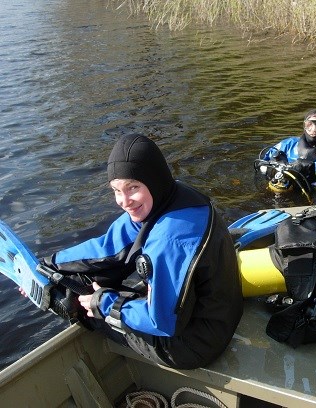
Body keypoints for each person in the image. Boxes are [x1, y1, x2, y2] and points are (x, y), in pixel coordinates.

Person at [34, 134, 244, 369]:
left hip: (195, 343)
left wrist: (104, 303)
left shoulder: (170, 239)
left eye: (132, 188)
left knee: (94, 310)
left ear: (153, 181)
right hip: (218, 310)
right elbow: (110, 246)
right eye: (116, 190)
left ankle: (72, 305)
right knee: (103, 272)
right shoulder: (172, 196)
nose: (124, 201)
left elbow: (162, 322)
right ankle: (79, 288)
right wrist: (51, 263)